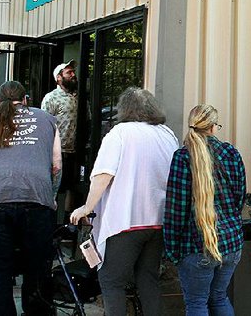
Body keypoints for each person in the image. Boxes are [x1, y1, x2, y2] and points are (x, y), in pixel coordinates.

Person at [70, 87, 179, 316]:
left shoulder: (120, 133)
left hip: (126, 220)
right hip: (159, 220)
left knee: (111, 280)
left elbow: (103, 175)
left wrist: (86, 208)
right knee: (148, 279)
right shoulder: (167, 134)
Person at [0, 81, 61, 316]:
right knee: (37, 267)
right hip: (37, 198)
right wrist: (52, 196)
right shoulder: (47, 119)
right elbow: (56, 164)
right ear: (26, 100)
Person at [165, 105, 246, 316]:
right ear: (213, 127)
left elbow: (176, 210)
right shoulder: (231, 153)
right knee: (219, 298)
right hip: (231, 243)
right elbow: (239, 198)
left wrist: (172, 250)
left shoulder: (182, 157)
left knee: (197, 304)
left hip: (197, 245)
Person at [41, 59, 80, 213]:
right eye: (68, 72)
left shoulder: (78, 97)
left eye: (73, 72)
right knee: (55, 185)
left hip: (76, 150)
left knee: (73, 186)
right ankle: (51, 219)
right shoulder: (51, 98)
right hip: (58, 150)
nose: (73, 75)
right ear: (59, 77)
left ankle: (68, 223)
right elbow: (44, 124)